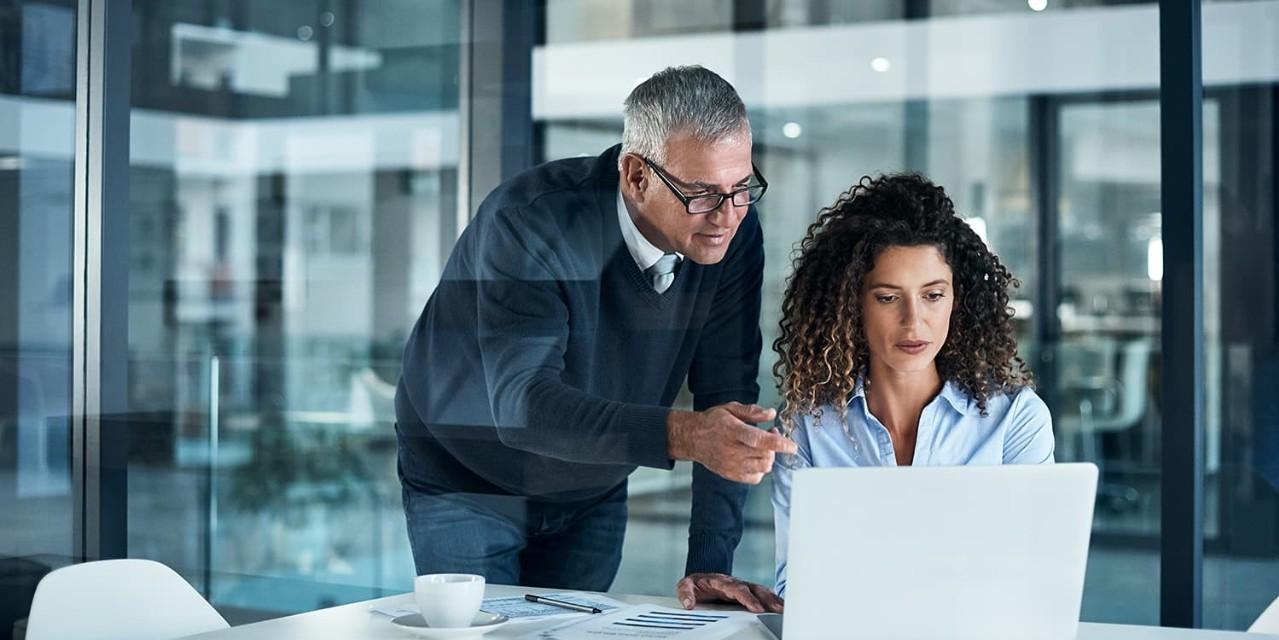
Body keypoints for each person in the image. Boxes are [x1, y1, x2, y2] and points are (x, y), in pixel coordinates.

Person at [394, 65, 793, 610]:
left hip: (593, 484)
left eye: (741, 187)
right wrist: (686, 435)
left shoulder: (732, 233)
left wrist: (709, 563)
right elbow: (522, 407)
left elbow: (727, 397)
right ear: (636, 176)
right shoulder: (532, 222)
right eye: (701, 193)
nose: (727, 215)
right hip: (468, 475)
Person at [676, 173, 1054, 607]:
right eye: (888, 298)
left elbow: (1034, 581)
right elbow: (801, 585)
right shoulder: (807, 427)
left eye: (933, 295)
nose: (914, 322)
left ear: (957, 298)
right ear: (852, 304)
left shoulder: (1016, 420)